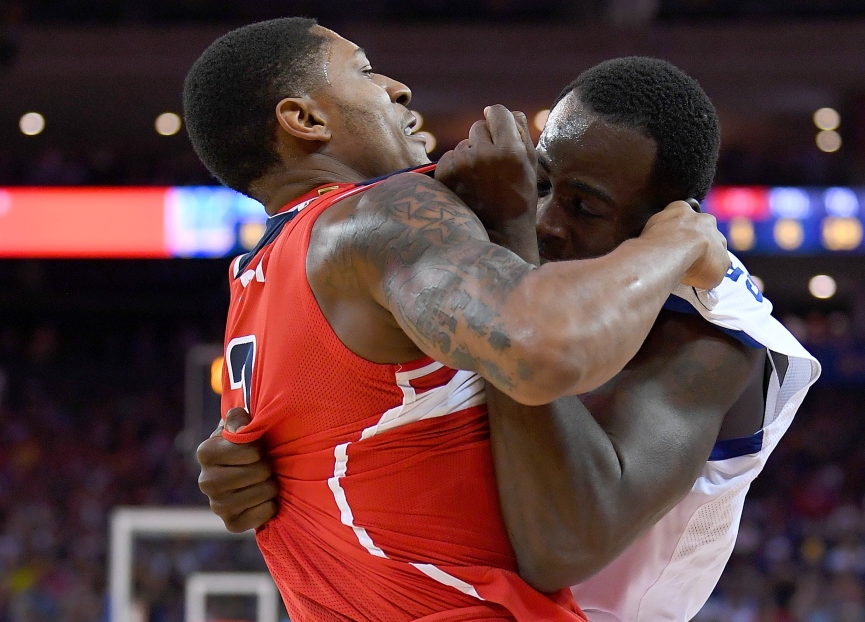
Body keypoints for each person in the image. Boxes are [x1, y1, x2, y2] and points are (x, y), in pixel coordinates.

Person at [198, 54, 821, 621]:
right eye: (542, 181)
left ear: (658, 227)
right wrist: (272, 456)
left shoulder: (710, 339)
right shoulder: (507, 265)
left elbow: (562, 543)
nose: (546, 218)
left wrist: (509, 235)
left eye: (584, 208)